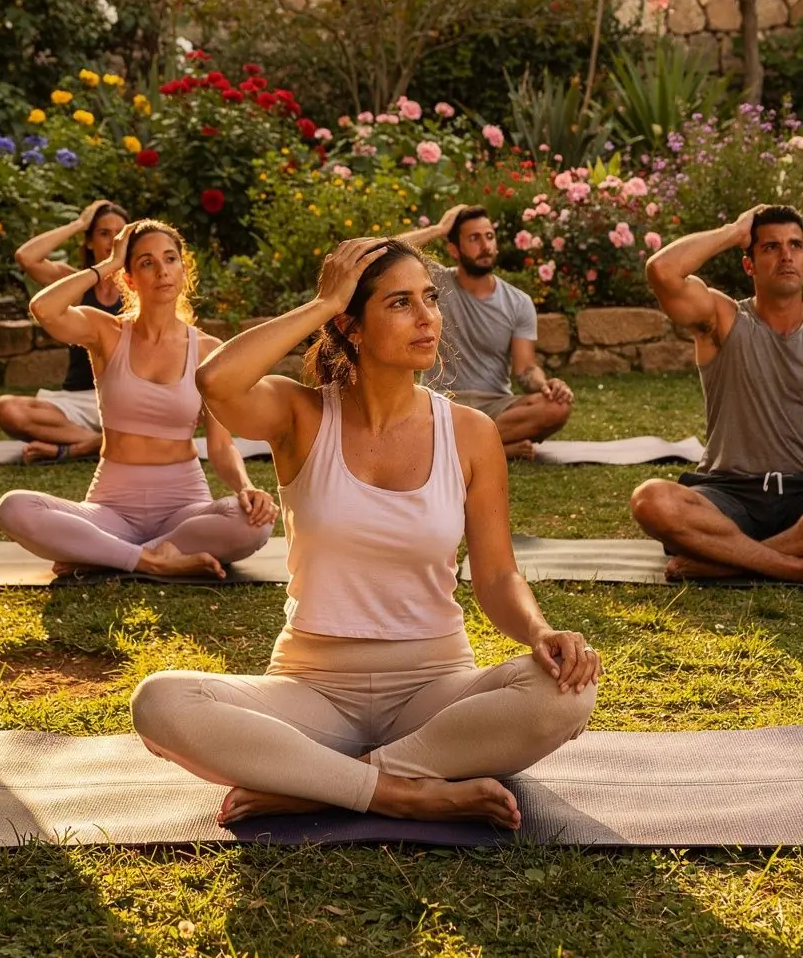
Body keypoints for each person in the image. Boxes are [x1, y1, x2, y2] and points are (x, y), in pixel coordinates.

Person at [130, 236, 600, 831]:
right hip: (313, 688)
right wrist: (325, 303)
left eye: (430, 298)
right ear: (351, 326)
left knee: (568, 689)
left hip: (434, 688)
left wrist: (540, 630)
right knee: (160, 701)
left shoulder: (471, 432)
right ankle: (401, 792)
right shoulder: (299, 414)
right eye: (400, 303)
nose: (427, 317)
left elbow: (498, 573)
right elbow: (216, 380)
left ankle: (322, 784)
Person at [0, 219, 278, 579]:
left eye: (170, 259)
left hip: (183, 507)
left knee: (255, 522)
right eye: (146, 262)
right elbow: (44, 309)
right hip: (111, 508)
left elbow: (221, 447)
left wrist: (247, 488)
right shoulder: (107, 332)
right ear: (129, 279)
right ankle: (152, 559)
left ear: (183, 270)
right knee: (13, 508)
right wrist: (108, 264)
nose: (162, 271)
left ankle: (104, 554)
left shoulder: (208, 350)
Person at [631, 204, 803, 582]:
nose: (786, 255)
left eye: (796, 245)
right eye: (771, 247)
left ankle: (725, 562)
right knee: (651, 500)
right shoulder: (723, 319)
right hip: (730, 496)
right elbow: (662, 271)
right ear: (749, 265)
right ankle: (789, 566)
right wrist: (734, 231)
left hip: (799, 498)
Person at [403, 204, 573, 459]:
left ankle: (458, 447)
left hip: (496, 406)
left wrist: (547, 385)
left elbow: (525, 369)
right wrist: (439, 229)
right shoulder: (434, 283)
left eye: (489, 236)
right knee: (417, 420)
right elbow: (385, 252)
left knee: (557, 407)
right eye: (474, 238)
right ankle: (495, 447)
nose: (485, 246)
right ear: (454, 250)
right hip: (442, 403)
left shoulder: (519, 302)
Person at [0, 199, 128, 462]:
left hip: (126, 399)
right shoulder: (74, 285)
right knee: (6, 409)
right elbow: (26, 257)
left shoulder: (141, 288)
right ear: (89, 242)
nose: (112, 241)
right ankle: (100, 444)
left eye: (119, 234)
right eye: (103, 233)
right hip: (77, 402)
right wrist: (78, 224)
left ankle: (72, 448)